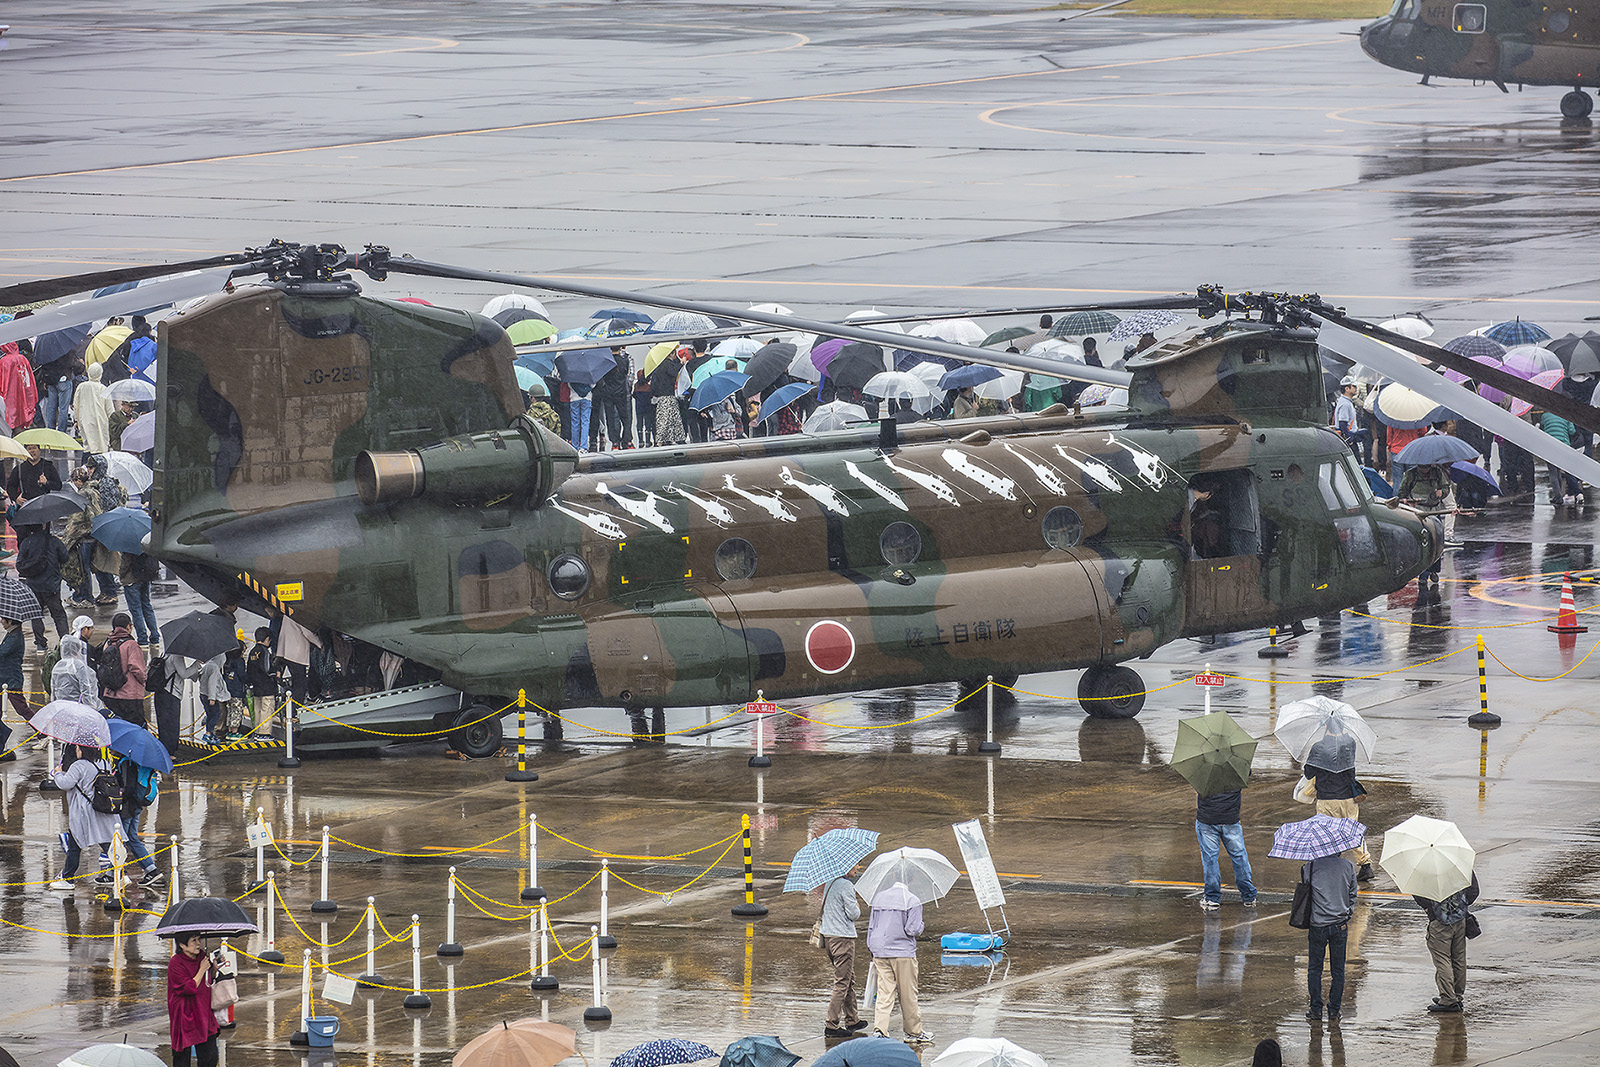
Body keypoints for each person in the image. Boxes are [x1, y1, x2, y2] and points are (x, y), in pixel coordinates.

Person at [47, 742, 119, 891]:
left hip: (83, 812)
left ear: (83, 750)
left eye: (78, 748)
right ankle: (118, 873)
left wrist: (58, 773)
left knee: (74, 845)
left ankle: (67, 879)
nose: (77, 751)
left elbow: (65, 784)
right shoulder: (104, 763)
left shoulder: (79, 765)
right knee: (106, 842)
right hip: (101, 808)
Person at [1301, 735, 1373, 881]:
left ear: (1326, 727)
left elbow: (1309, 773)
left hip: (1327, 797)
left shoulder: (1319, 747)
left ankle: (1330, 864)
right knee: (1352, 831)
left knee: (1326, 832)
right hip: (1348, 796)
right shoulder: (1349, 743)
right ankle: (1366, 865)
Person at [866, 883, 932, 1043]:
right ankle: (913, 1032)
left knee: (884, 991)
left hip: (879, 950)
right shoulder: (912, 900)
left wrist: (872, 947)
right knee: (908, 993)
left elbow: (872, 926)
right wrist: (921, 925)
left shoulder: (879, 898)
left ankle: (880, 1030)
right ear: (912, 880)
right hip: (902, 952)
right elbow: (912, 929)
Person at [1303, 850, 1357, 1021]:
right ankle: (1334, 1010)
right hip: (1339, 924)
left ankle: (1316, 1009)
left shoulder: (1310, 867)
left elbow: (1306, 892)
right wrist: (1347, 913)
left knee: (1314, 969)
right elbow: (1352, 894)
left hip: (1317, 924)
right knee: (1338, 970)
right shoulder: (1348, 866)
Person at [1415, 872, 1479, 1013]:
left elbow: (1418, 892)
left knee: (1442, 960)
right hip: (1460, 917)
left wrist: (1430, 910)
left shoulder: (1424, 867)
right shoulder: (1459, 861)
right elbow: (1474, 890)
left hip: (1439, 920)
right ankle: (1456, 995)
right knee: (1458, 958)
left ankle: (1448, 999)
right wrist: (1461, 905)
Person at [819, 870, 866, 1037]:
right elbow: (853, 914)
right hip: (843, 939)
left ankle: (852, 1019)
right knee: (841, 983)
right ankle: (831, 1024)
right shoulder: (846, 885)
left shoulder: (830, 882)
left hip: (829, 938)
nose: (857, 868)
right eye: (854, 865)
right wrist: (857, 906)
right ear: (845, 867)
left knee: (848, 978)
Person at [12, 516, 69, 651]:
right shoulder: (53, 541)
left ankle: (40, 643)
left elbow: (20, 564)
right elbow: (65, 557)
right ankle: (65, 640)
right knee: (59, 614)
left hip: (34, 585)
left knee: (36, 615)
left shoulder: (26, 542)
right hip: (51, 585)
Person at [1195, 786, 1257, 910]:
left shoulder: (1203, 771)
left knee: (1210, 859)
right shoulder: (1236, 770)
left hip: (1207, 819)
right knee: (1239, 856)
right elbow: (1247, 774)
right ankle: (1248, 895)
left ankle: (1212, 897)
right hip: (1231, 819)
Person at [167, 933, 221, 1067]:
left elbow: (207, 981)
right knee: (182, 1059)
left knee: (210, 1056)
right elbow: (188, 988)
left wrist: (213, 969)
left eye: (199, 939)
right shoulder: (175, 963)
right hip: (184, 1013)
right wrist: (202, 969)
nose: (198, 944)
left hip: (202, 1010)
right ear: (182, 945)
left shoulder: (202, 957)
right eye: (194, 941)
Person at [1392, 463, 1451, 585]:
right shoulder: (1410, 475)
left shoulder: (1438, 473)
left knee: (1436, 542)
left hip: (1435, 511)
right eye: (1422, 468)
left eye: (1427, 468)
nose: (1425, 470)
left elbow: (1446, 488)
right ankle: (1423, 573)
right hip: (1418, 513)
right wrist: (1406, 502)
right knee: (1422, 543)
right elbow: (1402, 493)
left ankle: (1434, 570)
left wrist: (1441, 493)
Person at [114, 750, 164, 887]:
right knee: (131, 838)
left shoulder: (127, 761)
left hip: (127, 806)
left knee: (119, 840)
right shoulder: (144, 761)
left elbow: (128, 787)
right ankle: (151, 870)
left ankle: (115, 874)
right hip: (137, 805)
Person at [99, 612, 149, 728]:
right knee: (136, 730)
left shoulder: (108, 643)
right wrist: (144, 681)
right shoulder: (131, 645)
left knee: (116, 728)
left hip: (110, 694)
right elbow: (137, 669)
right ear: (128, 626)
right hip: (130, 696)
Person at [120, 550, 161, 650]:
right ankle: (155, 637)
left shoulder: (128, 545)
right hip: (145, 577)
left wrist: (121, 576)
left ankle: (142, 640)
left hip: (132, 580)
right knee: (147, 607)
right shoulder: (146, 542)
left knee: (136, 611)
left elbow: (125, 564)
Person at [0, 618, 31, 746]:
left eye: (3, 619)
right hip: (4, 679)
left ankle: (42, 732)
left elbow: (2, 652)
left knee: (21, 708)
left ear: (10, 621)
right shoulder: (11, 634)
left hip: (12, 680)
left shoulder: (15, 637)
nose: (1, 621)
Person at [0, 339, 38, 437]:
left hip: (9, 396)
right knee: (21, 418)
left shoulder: (4, 361)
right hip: (24, 393)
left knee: (10, 422)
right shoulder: (23, 359)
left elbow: (3, 381)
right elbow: (30, 379)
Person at [650, 348, 687, 446]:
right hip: (667, 396)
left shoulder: (661, 365)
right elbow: (674, 372)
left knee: (668, 418)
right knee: (667, 418)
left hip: (663, 396)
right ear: (672, 353)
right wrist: (681, 363)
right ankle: (661, 440)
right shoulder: (667, 364)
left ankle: (667, 438)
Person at [51, 635, 101, 709]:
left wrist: (54, 705)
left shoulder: (58, 666)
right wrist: (90, 707)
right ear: (78, 649)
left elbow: (53, 689)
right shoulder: (78, 666)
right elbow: (86, 688)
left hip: (61, 707)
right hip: (77, 707)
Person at [72, 362, 112, 455]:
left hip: (85, 420)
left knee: (87, 446)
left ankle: (85, 467)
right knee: (100, 445)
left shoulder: (81, 387)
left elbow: (76, 405)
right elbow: (110, 411)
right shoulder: (104, 389)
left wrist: (77, 420)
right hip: (100, 421)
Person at [246, 627, 278, 736]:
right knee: (267, 710)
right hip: (267, 687)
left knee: (258, 710)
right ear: (267, 639)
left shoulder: (252, 652)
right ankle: (265, 733)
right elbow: (267, 669)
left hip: (256, 687)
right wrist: (275, 673)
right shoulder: (265, 652)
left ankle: (257, 731)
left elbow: (249, 670)